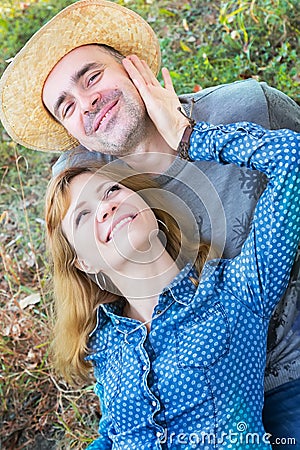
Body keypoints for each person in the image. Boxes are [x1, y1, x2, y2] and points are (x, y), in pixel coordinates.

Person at [0, 0, 299, 445]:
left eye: (93, 76)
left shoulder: (246, 108)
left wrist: (188, 137)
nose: (87, 103)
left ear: (132, 67)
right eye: (66, 107)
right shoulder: (92, 180)